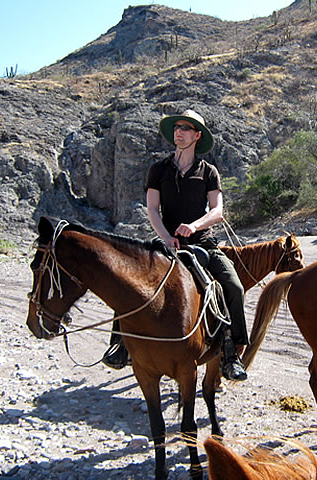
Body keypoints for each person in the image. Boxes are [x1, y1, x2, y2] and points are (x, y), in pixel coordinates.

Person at [104, 109, 248, 381]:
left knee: (234, 286)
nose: (179, 132)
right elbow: (152, 209)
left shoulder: (208, 172)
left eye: (185, 128)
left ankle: (231, 354)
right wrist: (166, 237)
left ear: (197, 136)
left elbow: (217, 211)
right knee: (130, 279)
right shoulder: (158, 170)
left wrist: (194, 226)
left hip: (203, 244)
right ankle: (119, 344)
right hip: (167, 244)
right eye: (177, 127)